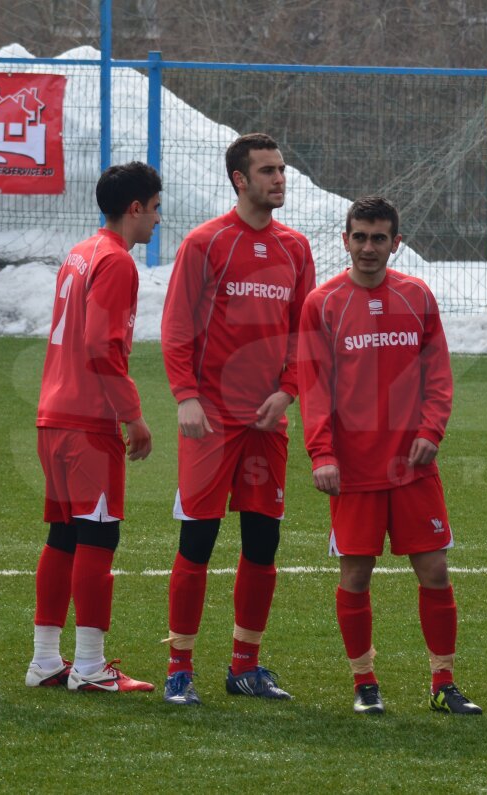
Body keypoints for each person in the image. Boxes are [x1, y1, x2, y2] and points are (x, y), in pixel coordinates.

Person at [298, 195, 481, 716]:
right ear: (345, 240)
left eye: (380, 238)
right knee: (355, 577)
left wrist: (432, 430)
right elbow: (314, 389)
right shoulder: (324, 303)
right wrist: (322, 454)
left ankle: (443, 683)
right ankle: (365, 682)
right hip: (352, 470)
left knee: (436, 571)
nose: (369, 247)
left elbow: (438, 376)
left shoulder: (417, 297)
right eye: (360, 237)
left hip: (413, 467)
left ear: (396, 243)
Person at [160, 133, 316, 706]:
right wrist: (185, 396)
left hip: (266, 424)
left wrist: (288, 391)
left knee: (262, 544)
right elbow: (176, 327)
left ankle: (244, 666)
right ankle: (180, 668)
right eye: (268, 171)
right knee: (197, 541)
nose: (279, 179)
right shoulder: (206, 242)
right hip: (211, 422)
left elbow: (304, 333)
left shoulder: (296, 249)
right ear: (239, 179)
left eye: (282, 169)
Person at [27, 162, 160, 693]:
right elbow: (104, 347)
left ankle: (44, 660)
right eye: (154, 209)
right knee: (99, 538)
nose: (156, 220)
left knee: (63, 535)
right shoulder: (116, 261)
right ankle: (88, 666)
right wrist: (135, 417)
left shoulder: (80, 253)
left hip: (52, 417)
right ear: (134, 208)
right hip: (87, 422)